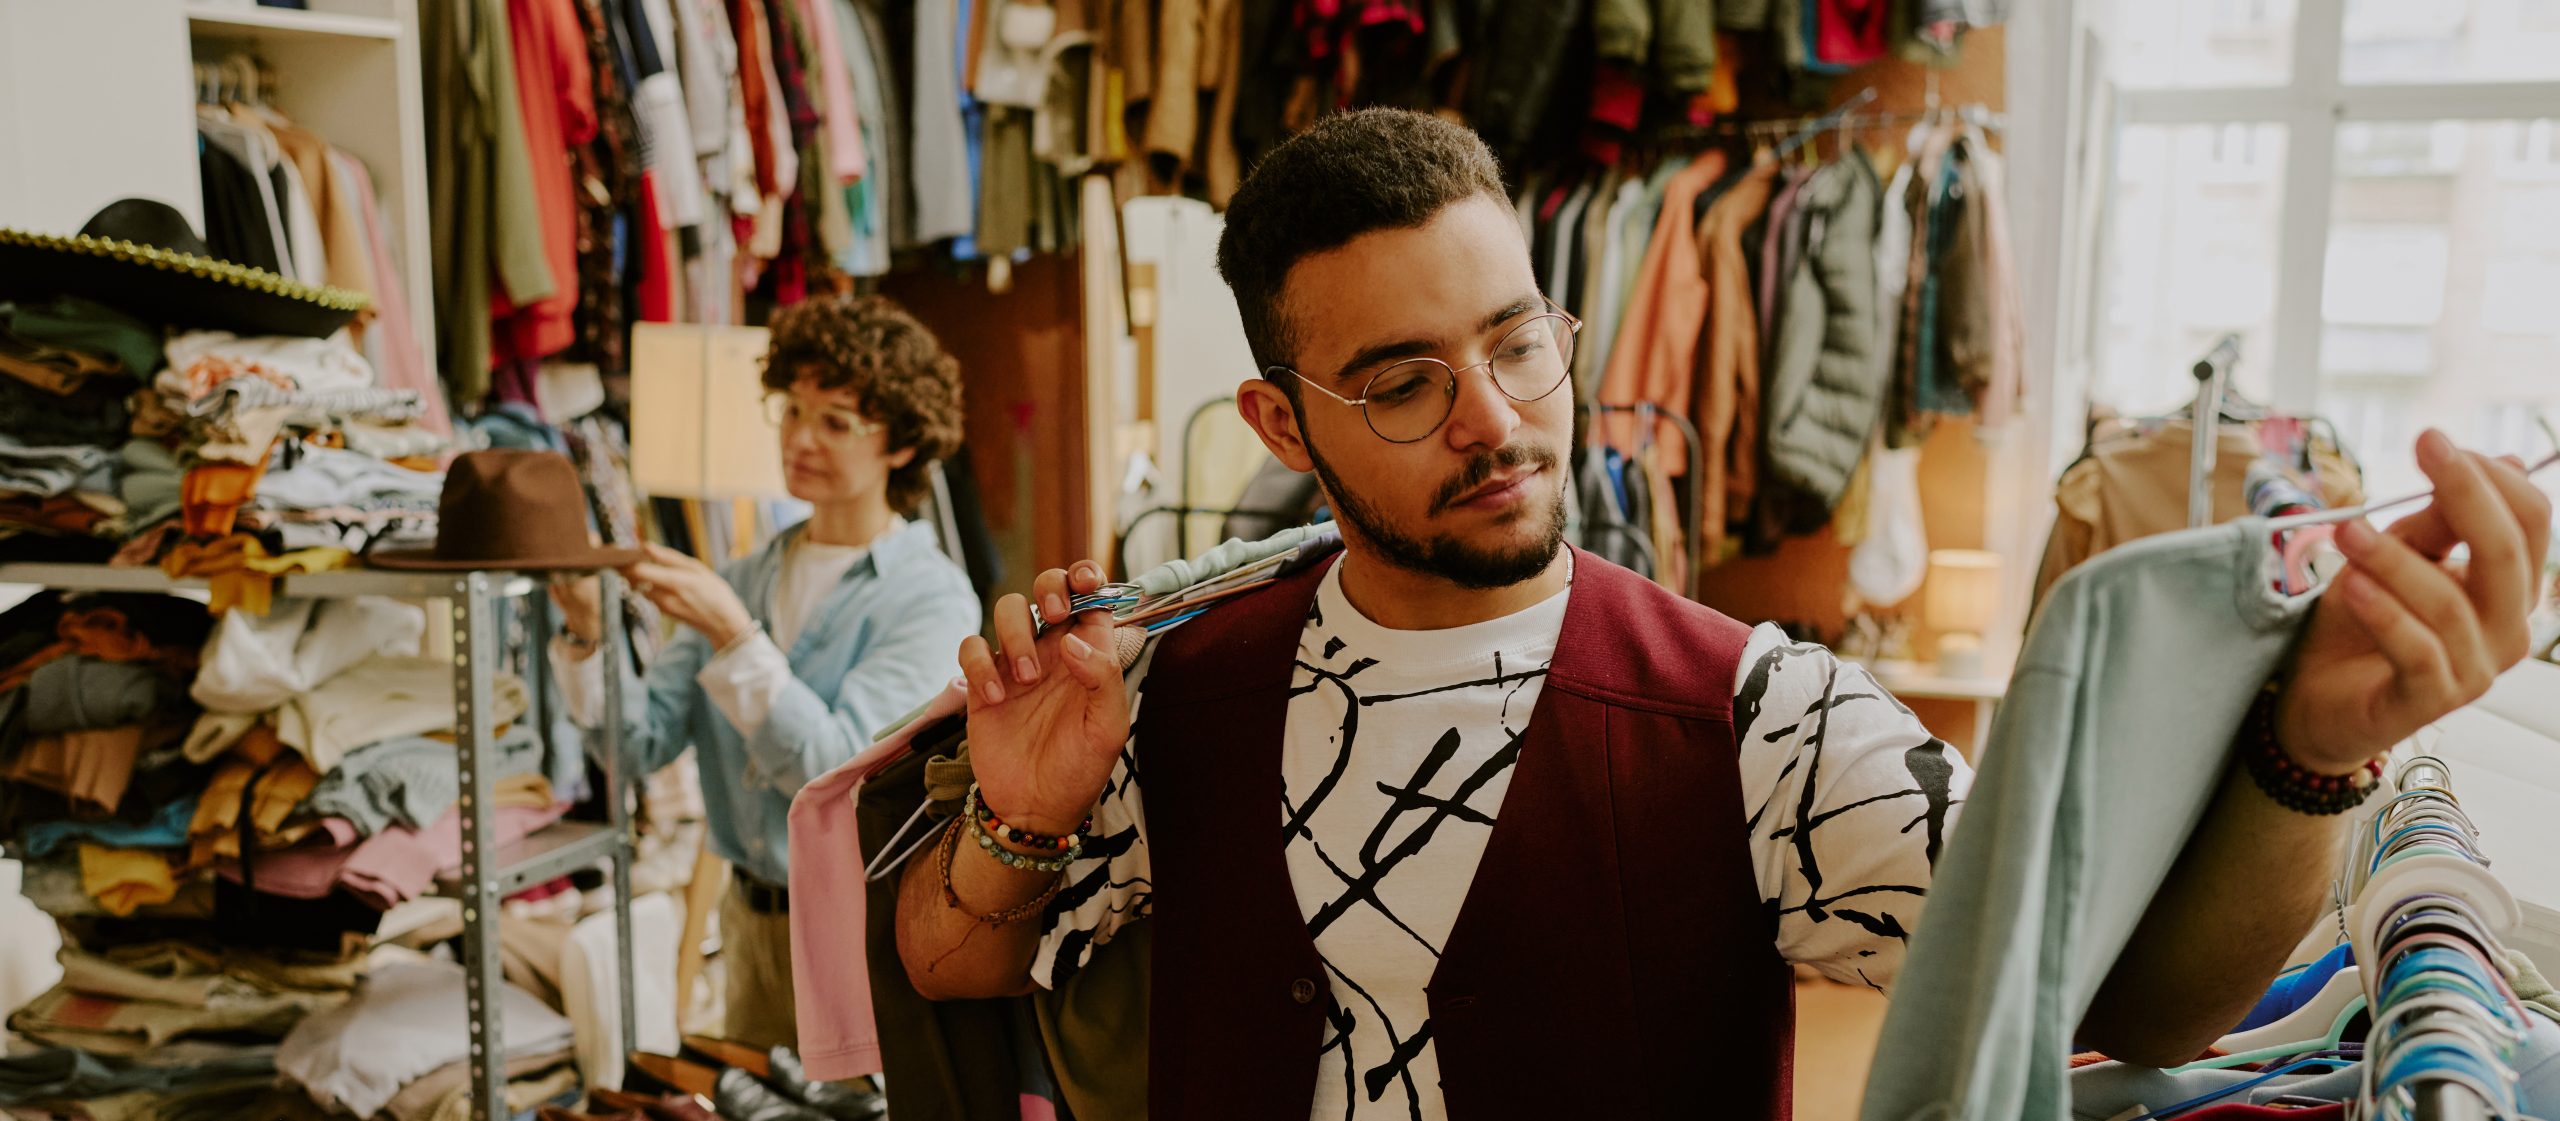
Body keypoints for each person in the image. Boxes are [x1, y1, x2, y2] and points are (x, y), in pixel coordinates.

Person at [895, 109, 2553, 1118]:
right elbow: (952, 958)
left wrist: (2317, 752)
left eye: (1517, 341)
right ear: (1282, 424)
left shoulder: (1765, 719)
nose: (1495, 419)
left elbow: (2119, 1006)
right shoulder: (1176, 689)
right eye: (1404, 383)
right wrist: (1023, 816)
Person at [556, 293, 982, 1051]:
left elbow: (841, 777)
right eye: (791, 409)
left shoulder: (930, 596)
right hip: (750, 932)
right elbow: (636, 748)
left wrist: (730, 632)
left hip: (866, 930)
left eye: (835, 422)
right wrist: (590, 637)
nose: (800, 439)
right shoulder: (745, 576)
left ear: (903, 445)